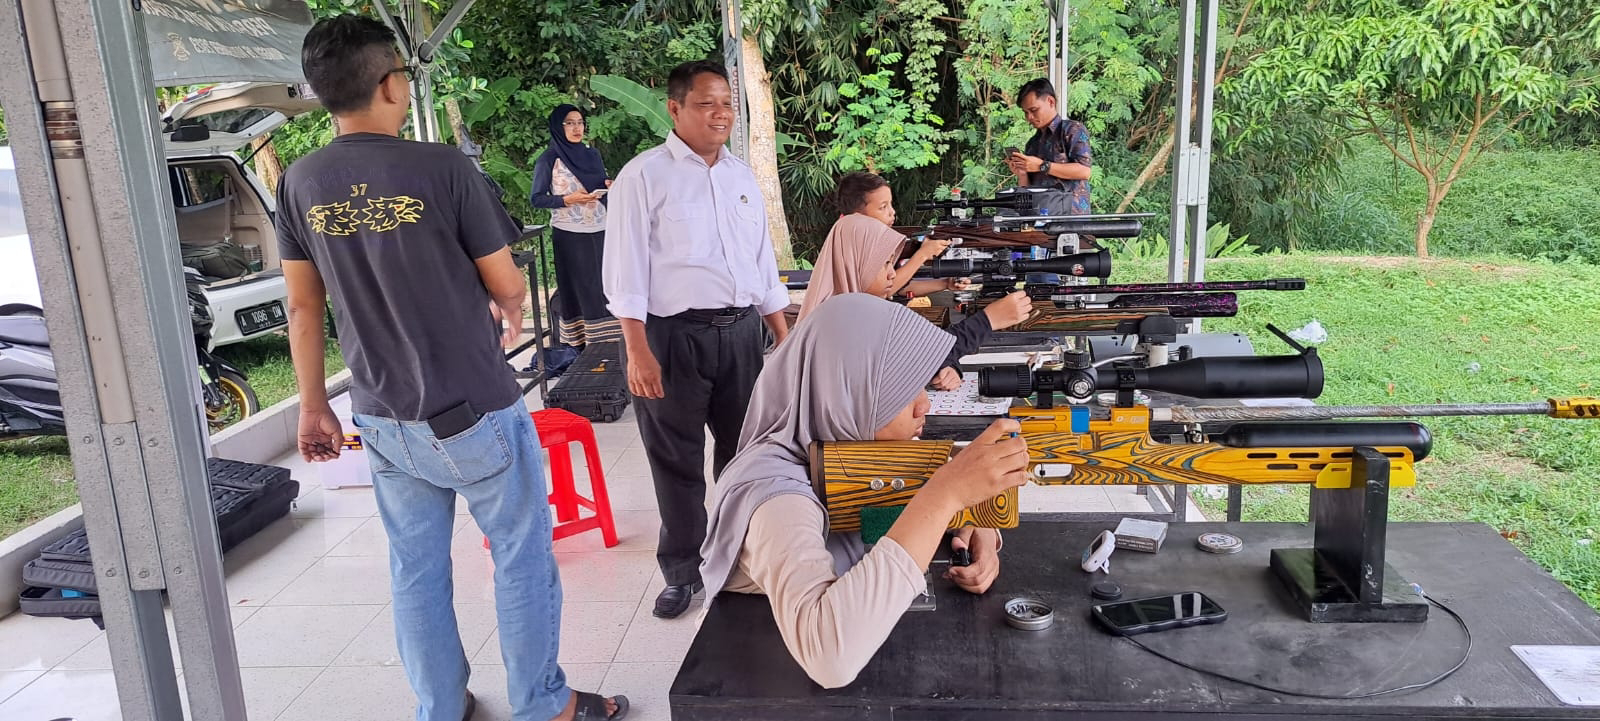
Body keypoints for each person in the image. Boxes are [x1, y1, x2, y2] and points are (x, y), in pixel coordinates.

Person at [276, 16, 626, 721]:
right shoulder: (440, 167)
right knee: (521, 556)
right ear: (391, 84)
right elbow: (504, 283)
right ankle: (543, 703)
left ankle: (440, 704)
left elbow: (302, 304)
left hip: (380, 415)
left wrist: (313, 406)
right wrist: (511, 305)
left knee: (416, 569)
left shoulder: (299, 181)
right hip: (474, 407)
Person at [699, 293, 1031, 688]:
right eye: (904, 391)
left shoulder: (850, 448)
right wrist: (945, 496)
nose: (924, 406)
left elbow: (896, 504)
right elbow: (829, 659)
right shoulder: (776, 498)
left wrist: (974, 527)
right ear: (848, 393)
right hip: (766, 677)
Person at [603, 60, 791, 620]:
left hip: (739, 336)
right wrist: (637, 349)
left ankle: (738, 557)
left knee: (744, 453)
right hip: (668, 339)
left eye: (728, 103)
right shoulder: (644, 176)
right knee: (676, 460)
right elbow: (625, 270)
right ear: (675, 108)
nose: (721, 114)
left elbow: (761, 264)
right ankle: (683, 572)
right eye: (707, 104)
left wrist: (782, 332)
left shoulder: (739, 176)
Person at [798, 177, 1034, 391]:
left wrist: (948, 367)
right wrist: (988, 320)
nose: (892, 275)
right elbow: (924, 351)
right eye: (884, 264)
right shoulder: (850, 328)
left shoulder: (841, 314)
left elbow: (923, 356)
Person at [529, 104, 620, 349]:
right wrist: (567, 200)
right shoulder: (549, 159)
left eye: (580, 122)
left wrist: (610, 188)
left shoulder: (592, 155)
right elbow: (536, 198)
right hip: (570, 235)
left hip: (601, 230)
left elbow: (602, 188)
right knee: (580, 288)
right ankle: (583, 345)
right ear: (558, 127)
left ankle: (610, 342)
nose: (576, 128)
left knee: (606, 285)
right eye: (569, 123)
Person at [1006, 78, 1093, 216]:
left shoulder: (1072, 130)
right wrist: (1022, 173)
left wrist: (1042, 166)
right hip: (1039, 220)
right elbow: (1028, 190)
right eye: (1025, 112)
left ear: (1051, 102)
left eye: (1034, 110)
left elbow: (1084, 171)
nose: (1029, 117)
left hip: (1071, 221)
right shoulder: (1032, 143)